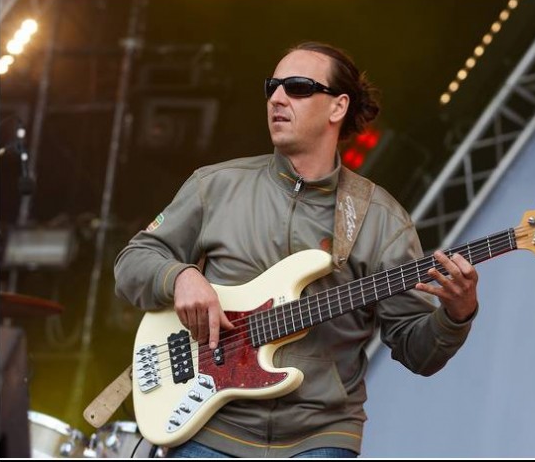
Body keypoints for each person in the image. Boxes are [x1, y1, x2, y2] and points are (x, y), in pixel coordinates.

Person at [114, 41, 479, 458]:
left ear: (338, 107)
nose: (277, 98)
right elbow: (133, 262)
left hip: (319, 437)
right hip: (210, 428)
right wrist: (179, 276)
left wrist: (456, 315)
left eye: (298, 87)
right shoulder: (214, 185)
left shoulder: (381, 219)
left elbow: (419, 353)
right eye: (273, 86)